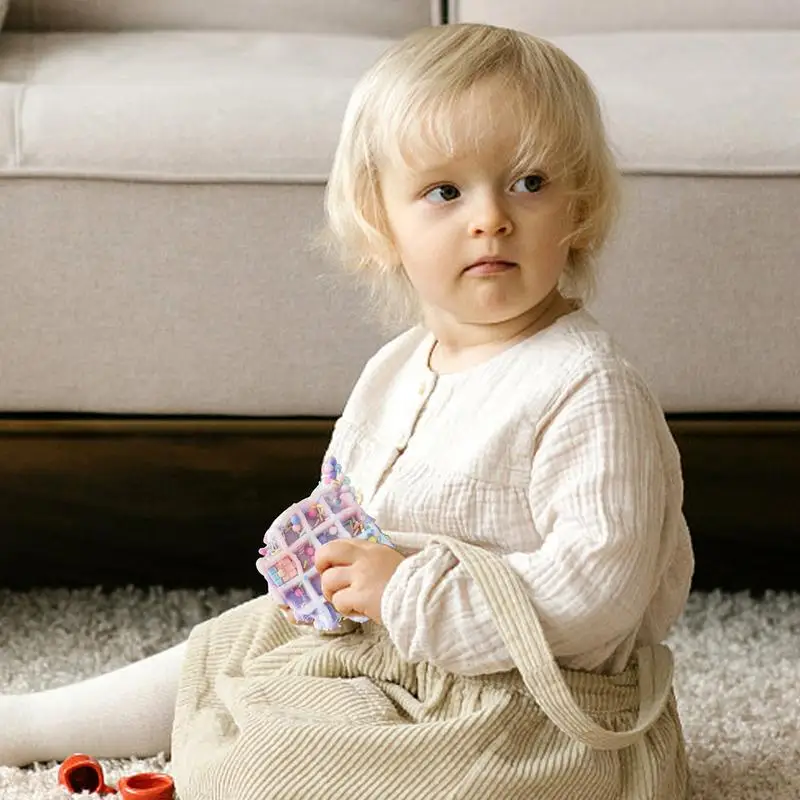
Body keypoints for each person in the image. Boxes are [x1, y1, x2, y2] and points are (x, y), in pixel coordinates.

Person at [0, 23, 694, 798]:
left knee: (284, 760)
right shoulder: (397, 367)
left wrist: (404, 593)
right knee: (238, 648)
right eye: (444, 191)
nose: (491, 216)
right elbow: (365, 506)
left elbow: (598, 596)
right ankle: (31, 722)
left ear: (580, 208)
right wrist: (329, 553)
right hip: (394, 655)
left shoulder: (587, 388)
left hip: (533, 704)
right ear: (381, 221)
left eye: (529, 183)